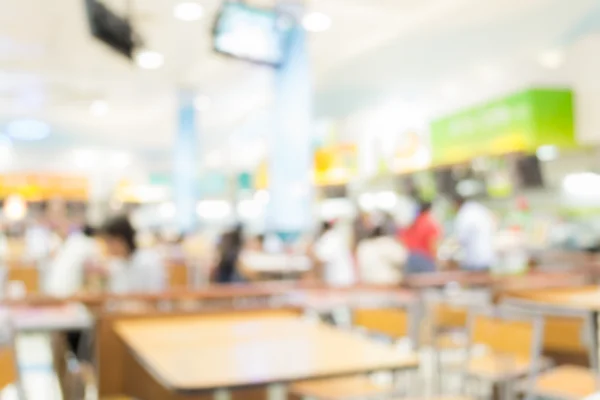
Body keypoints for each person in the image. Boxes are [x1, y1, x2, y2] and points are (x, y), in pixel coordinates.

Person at [101, 216, 166, 293]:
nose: (108, 246)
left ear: (122, 240)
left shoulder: (149, 261)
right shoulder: (115, 265)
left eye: (110, 241)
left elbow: (156, 296)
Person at [45, 225, 100, 297]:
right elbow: (91, 266)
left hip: (54, 280)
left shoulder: (73, 239)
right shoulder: (89, 243)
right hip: (69, 284)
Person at [453, 195, 496, 271]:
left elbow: (462, 238)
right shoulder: (479, 210)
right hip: (487, 257)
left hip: (474, 259)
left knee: (474, 280)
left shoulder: (465, 214)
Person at [401, 201, 441, 274]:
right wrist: (436, 260)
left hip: (410, 257)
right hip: (425, 258)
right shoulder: (431, 223)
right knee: (428, 283)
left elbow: (403, 239)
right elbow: (432, 243)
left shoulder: (413, 222)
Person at [313, 221, 355, 286]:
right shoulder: (335, 236)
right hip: (341, 279)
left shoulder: (329, 238)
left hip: (339, 280)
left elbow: (320, 257)